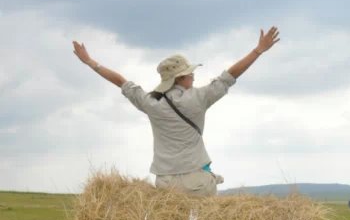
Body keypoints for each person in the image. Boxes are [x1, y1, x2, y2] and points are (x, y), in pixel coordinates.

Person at [72, 27, 279, 196]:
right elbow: (230, 76)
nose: (193, 76)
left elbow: (121, 82)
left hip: (165, 184)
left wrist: (90, 62)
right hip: (196, 183)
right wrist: (258, 50)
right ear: (180, 78)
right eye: (190, 73)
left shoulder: (151, 102)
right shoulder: (198, 98)